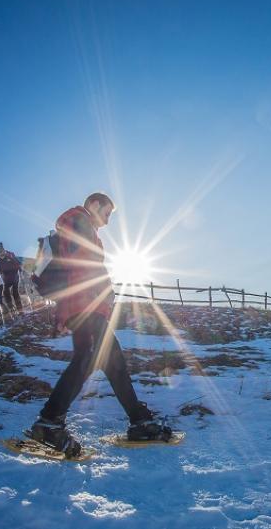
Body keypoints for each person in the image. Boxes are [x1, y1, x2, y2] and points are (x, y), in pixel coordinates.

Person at [27, 192, 171, 456]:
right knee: (86, 359)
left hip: (86, 307)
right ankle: (49, 422)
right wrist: (92, 302)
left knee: (113, 362)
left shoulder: (81, 226)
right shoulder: (78, 221)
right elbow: (81, 270)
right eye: (106, 213)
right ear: (94, 205)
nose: (107, 220)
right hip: (85, 307)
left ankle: (138, 421)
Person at [0, 242, 24, 313]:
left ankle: (20, 310)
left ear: (4, 250)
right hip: (6, 278)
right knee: (5, 292)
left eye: (1, 251)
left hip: (14, 275)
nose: (1, 253)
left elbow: (18, 263)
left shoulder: (10, 254)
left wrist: (20, 269)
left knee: (15, 292)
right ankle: (11, 307)